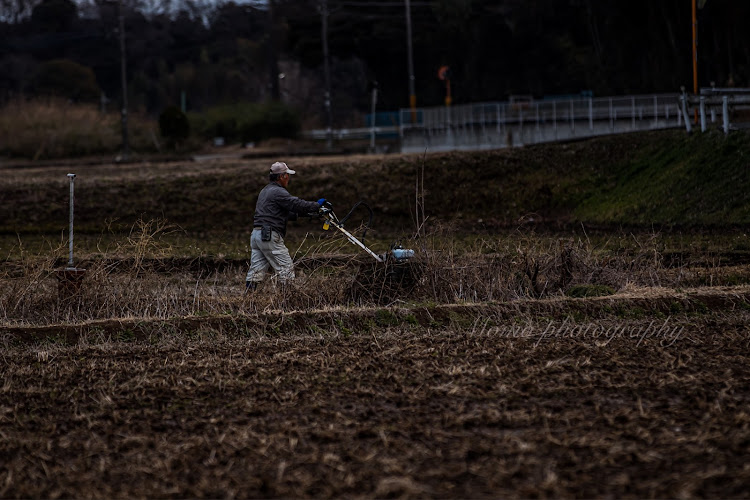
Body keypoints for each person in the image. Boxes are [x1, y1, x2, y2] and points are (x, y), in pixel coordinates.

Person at [245, 161, 325, 290]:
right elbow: (296, 204)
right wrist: (317, 205)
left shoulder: (265, 191)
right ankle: (287, 302)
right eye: (287, 175)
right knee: (286, 268)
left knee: (256, 272)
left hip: (257, 235)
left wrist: (309, 214)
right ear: (281, 176)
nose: (289, 178)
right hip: (270, 235)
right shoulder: (278, 192)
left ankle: (249, 299)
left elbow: (282, 213)